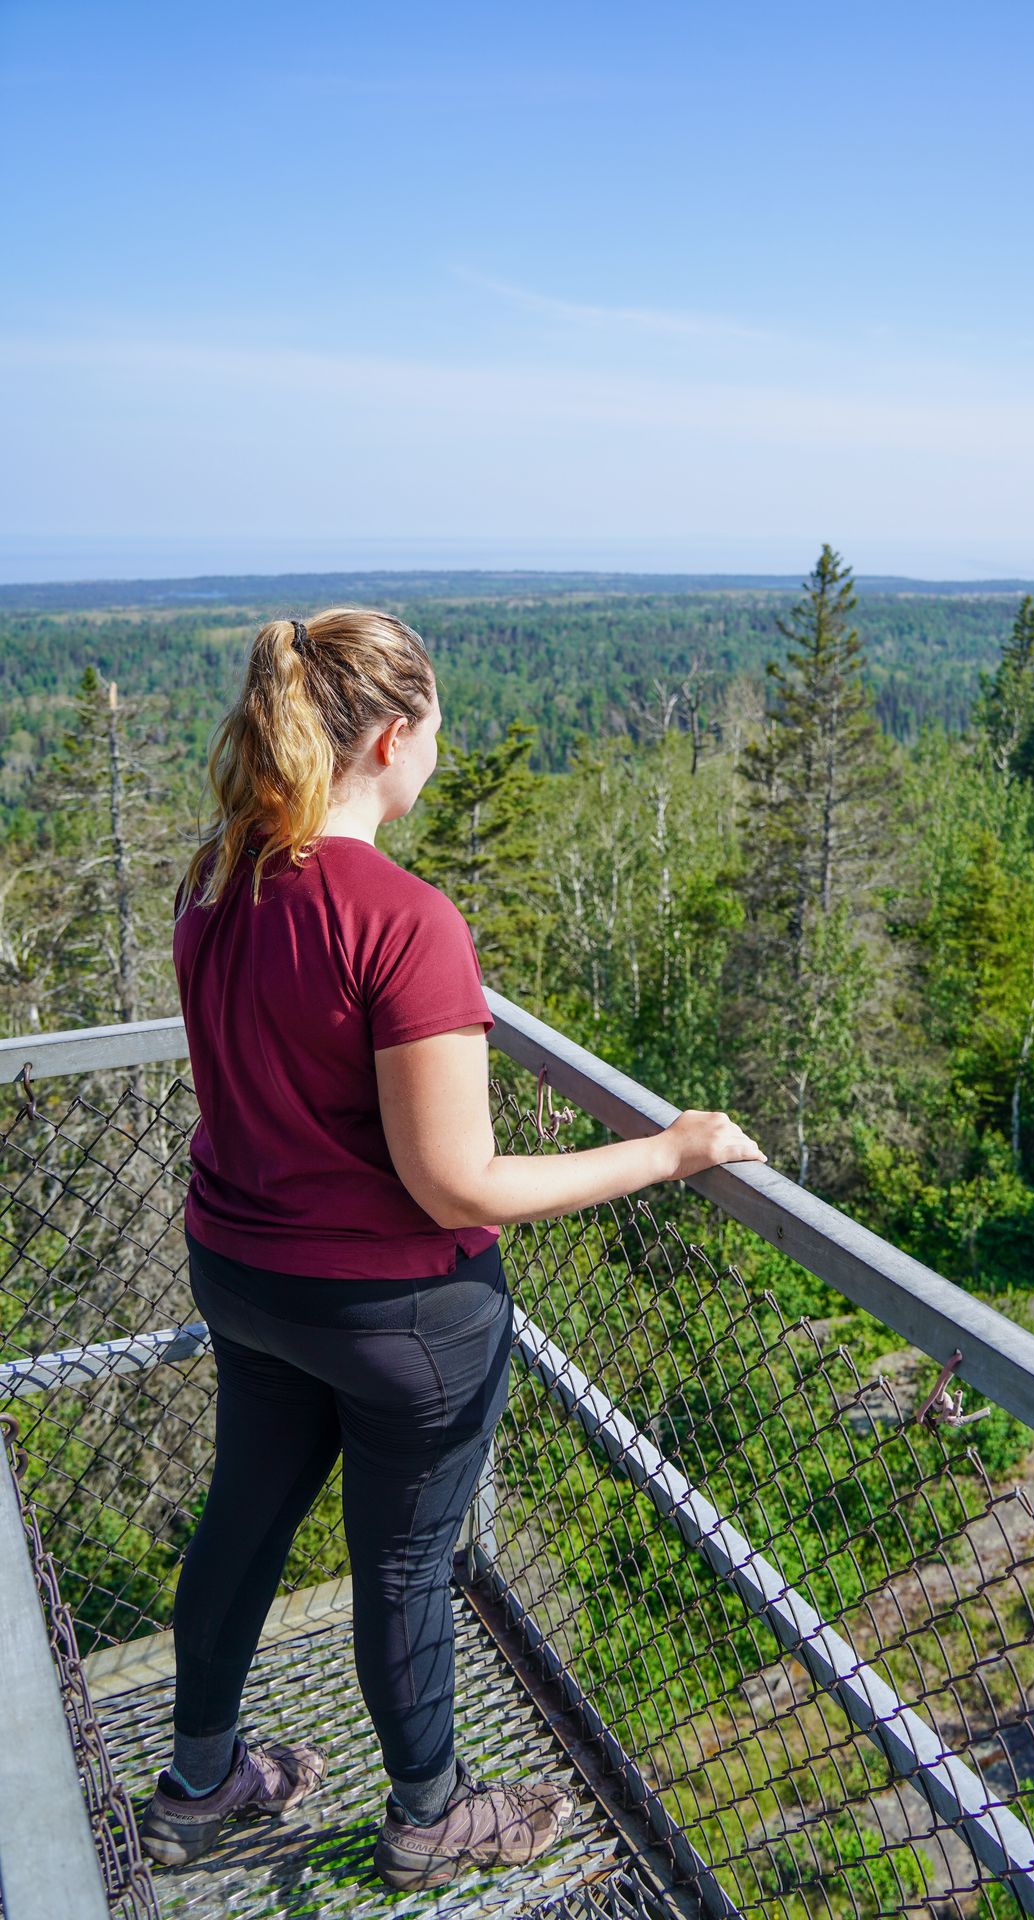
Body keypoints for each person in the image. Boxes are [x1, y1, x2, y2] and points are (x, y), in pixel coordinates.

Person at [139, 607, 767, 1890]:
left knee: (243, 1523)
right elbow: (453, 1182)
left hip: (248, 1279)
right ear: (394, 735)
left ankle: (198, 1782)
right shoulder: (403, 919)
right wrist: (669, 1152)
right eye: (435, 728)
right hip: (395, 1319)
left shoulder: (221, 873)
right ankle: (430, 1813)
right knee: (408, 1567)